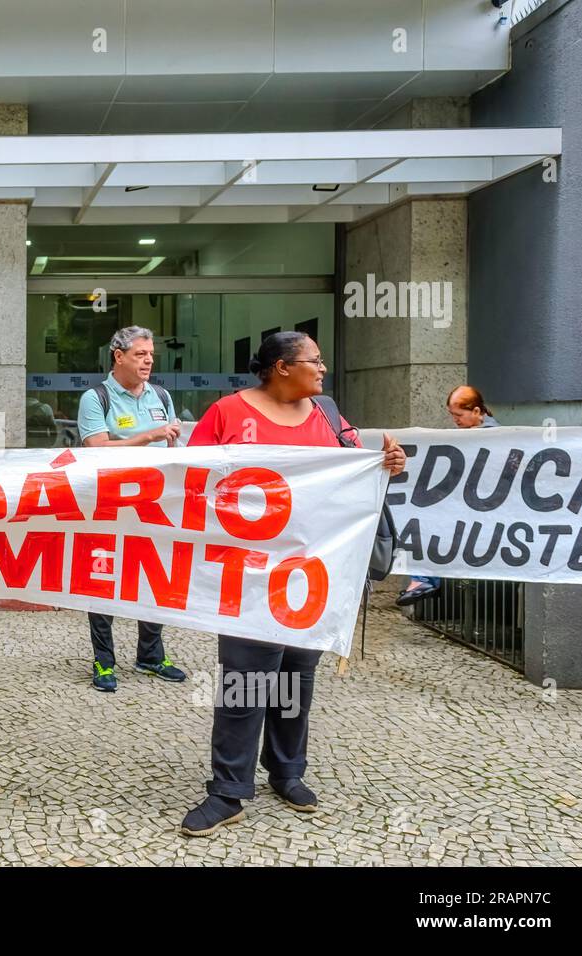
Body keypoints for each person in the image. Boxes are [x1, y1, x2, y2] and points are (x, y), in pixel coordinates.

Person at [180, 331, 406, 837]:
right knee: (245, 679)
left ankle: (286, 771)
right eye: (314, 361)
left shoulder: (325, 412)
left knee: (296, 675)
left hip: (311, 573)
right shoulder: (227, 414)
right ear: (282, 367)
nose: (322, 369)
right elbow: (188, 482)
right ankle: (229, 790)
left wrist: (388, 464)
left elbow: (356, 467)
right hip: (248, 574)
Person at [77, 325, 187, 692]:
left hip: (154, 504)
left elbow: (175, 449)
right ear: (118, 356)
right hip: (110, 504)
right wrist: (146, 438)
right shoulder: (97, 398)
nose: (149, 360)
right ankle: (104, 661)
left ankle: (150, 656)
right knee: (103, 579)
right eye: (140, 354)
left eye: (151, 355)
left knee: (153, 576)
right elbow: (96, 448)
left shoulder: (161, 395)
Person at [396, 384, 500, 607]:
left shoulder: (492, 435)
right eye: (452, 415)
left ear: (476, 411)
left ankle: (424, 579)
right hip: (468, 505)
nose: (455, 420)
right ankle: (423, 578)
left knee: (428, 523)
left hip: (484, 510)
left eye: (459, 415)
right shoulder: (470, 434)